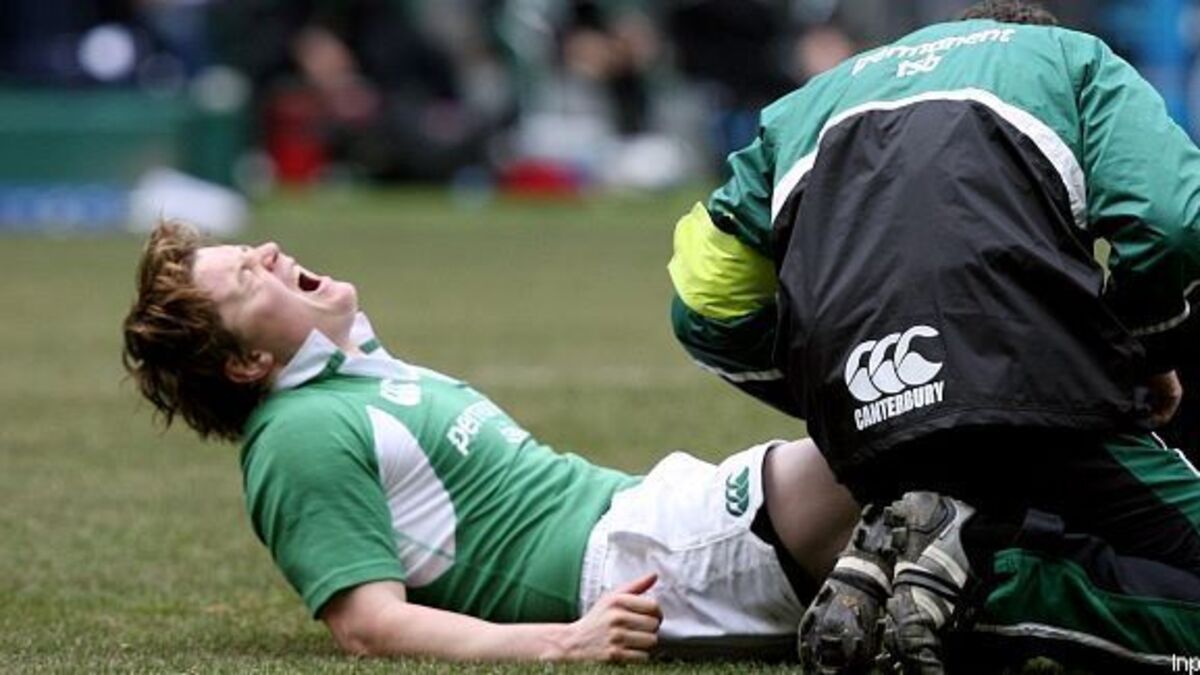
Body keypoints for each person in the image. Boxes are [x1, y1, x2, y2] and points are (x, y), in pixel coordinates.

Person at [666, 0, 1200, 671]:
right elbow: (1172, 224)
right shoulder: (1073, 62)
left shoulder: (802, 107)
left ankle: (929, 557)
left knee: (1025, 500)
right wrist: (1141, 350)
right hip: (1030, 393)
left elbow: (704, 305)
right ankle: (988, 586)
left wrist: (846, 388)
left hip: (874, 436)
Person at [121, 220, 862, 663]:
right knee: (886, 430)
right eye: (249, 276)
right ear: (247, 362)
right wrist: (563, 643)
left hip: (655, 523)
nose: (271, 249)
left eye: (249, 249)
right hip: (642, 565)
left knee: (904, 455)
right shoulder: (297, 433)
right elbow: (368, 626)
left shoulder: (356, 376)